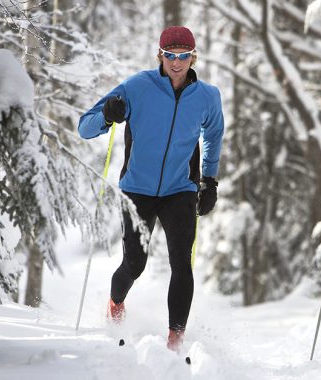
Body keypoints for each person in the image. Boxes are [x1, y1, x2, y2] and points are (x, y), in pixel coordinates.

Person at [78, 26, 225, 352]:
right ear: (160, 55)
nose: (176, 62)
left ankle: (176, 338)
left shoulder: (207, 96)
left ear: (193, 56)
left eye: (183, 55)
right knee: (135, 263)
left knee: (181, 263)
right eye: (170, 55)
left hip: (180, 190)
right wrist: (107, 113)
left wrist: (209, 181)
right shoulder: (137, 87)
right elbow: (84, 127)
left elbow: (213, 136)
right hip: (137, 190)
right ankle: (116, 302)